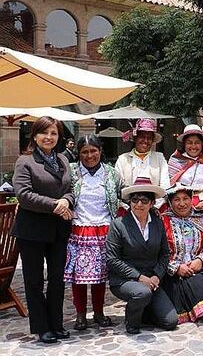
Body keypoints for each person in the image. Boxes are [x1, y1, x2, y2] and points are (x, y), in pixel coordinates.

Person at [12, 116, 74, 343]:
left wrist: (67, 200)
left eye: (54, 133)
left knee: (57, 278)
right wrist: (56, 205)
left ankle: (56, 324)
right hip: (32, 230)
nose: (49, 137)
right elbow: (24, 195)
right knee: (34, 280)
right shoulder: (25, 161)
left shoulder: (63, 160)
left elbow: (70, 188)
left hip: (59, 230)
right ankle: (41, 327)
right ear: (35, 135)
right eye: (44, 133)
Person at [65, 135, 123, 331]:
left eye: (93, 151)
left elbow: (121, 196)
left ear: (100, 150)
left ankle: (99, 312)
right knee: (78, 276)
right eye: (84, 152)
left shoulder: (111, 174)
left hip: (104, 229)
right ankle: (81, 314)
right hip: (79, 228)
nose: (89, 155)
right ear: (78, 153)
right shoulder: (71, 172)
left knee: (99, 276)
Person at [105, 176, 177, 334]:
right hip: (125, 280)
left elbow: (165, 253)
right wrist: (139, 277)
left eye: (144, 200)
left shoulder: (157, 223)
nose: (139, 204)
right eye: (135, 200)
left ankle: (143, 309)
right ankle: (132, 321)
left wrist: (157, 275)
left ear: (152, 203)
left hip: (152, 280)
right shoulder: (118, 225)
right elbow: (112, 259)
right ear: (129, 203)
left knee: (171, 321)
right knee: (142, 293)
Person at [161, 183, 203, 324]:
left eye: (185, 198)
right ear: (170, 202)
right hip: (170, 272)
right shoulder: (163, 221)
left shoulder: (201, 218)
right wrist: (175, 267)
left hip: (196, 269)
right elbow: (157, 252)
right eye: (177, 200)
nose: (182, 203)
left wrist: (200, 261)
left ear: (191, 199)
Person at [168, 124, 203, 237]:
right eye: (189, 142)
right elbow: (170, 185)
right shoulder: (176, 161)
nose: (193, 146)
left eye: (197, 142)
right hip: (182, 207)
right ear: (184, 144)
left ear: (202, 143)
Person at [115, 118, 170, 208]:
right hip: (128, 207)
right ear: (135, 138)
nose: (145, 141)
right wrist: (129, 207)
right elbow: (117, 187)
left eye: (149, 138)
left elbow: (165, 186)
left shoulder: (160, 158)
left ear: (152, 141)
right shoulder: (123, 159)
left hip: (155, 206)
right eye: (142, 137)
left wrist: (154, 206)